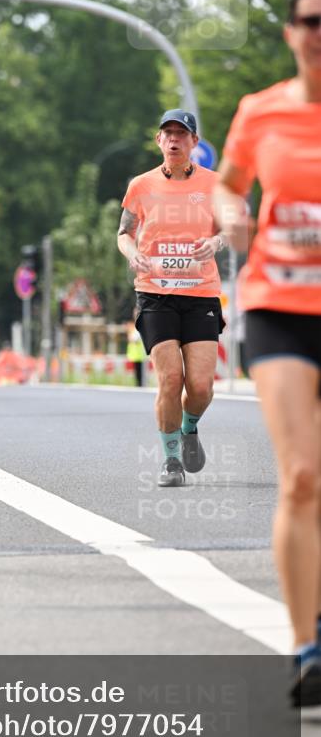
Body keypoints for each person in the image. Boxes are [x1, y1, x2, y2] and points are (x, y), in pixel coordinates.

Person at [214, 0, 321, 707]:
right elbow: (225, 183)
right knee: (301, 476)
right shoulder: (259, 113)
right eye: (310, 20)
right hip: (280, 304)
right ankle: (305, 646)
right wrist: (232, 214)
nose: (320, 32)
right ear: (290, 31)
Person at [117, 110, 226, 487]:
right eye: (168, 134)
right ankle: (171, 461)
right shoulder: (141, 185)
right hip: (154, 291)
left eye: (182, 133)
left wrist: (215, 242)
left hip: (200, 293)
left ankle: (189, 426)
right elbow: (124, 233)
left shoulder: (215, 184)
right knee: (170, 379)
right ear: (159, 141)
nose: (175, 140)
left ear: (195, 142)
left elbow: (229, 230)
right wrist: (132, 254)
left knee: (200, 386)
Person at [126, 307, 147, 387]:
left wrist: (129, 333)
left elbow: (134, 339)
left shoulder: (140, 326)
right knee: (137, 375)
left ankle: (141, 386)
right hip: (136, 356)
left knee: (140, 376)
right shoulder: (134, 326)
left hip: (140, 356)